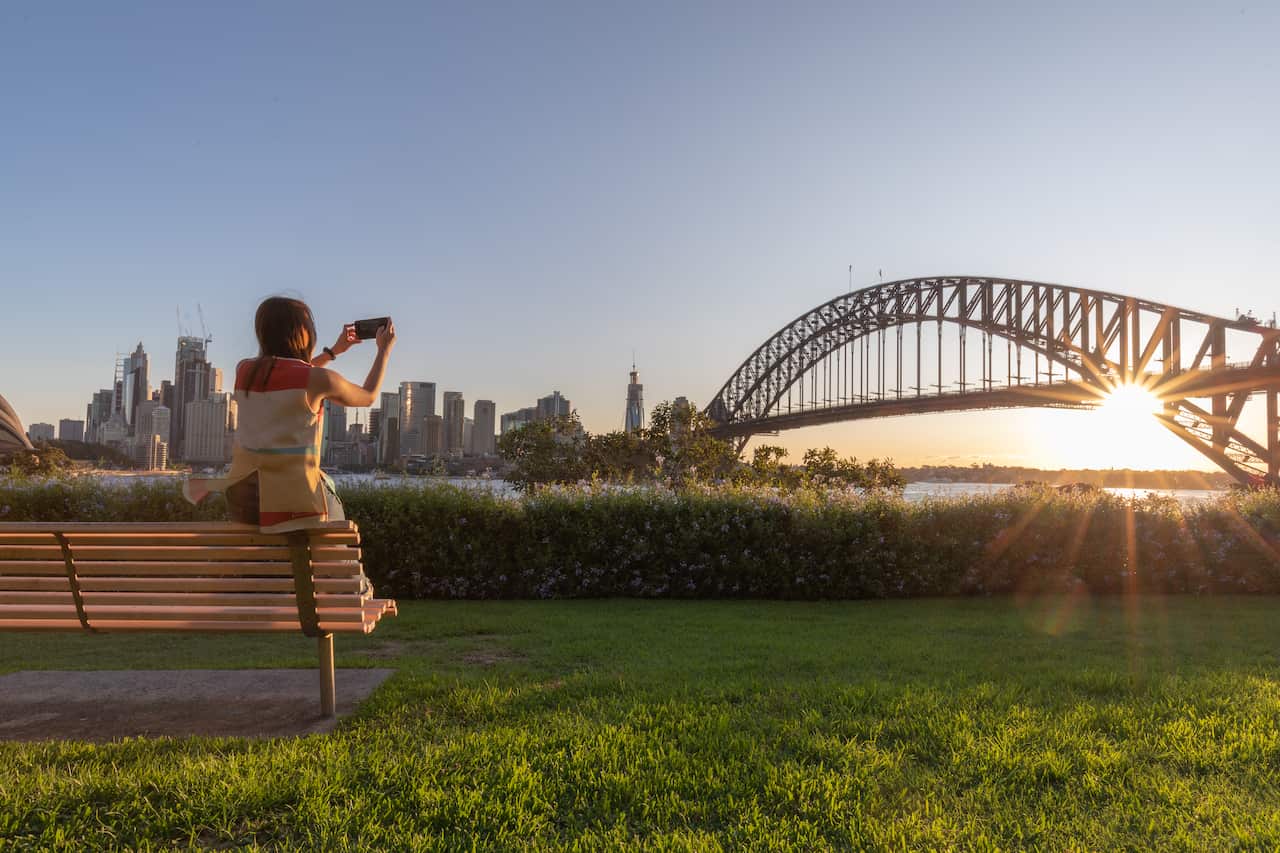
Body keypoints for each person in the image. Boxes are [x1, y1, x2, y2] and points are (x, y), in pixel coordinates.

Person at [184, 297, 395, 532]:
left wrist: (333, 351)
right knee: (340, 540)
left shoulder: (244, 371)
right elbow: (367, 396)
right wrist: (383, 351)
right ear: (303, 333)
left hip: (243, 503)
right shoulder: (319, 380)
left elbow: (290, 373)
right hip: (297, 506)